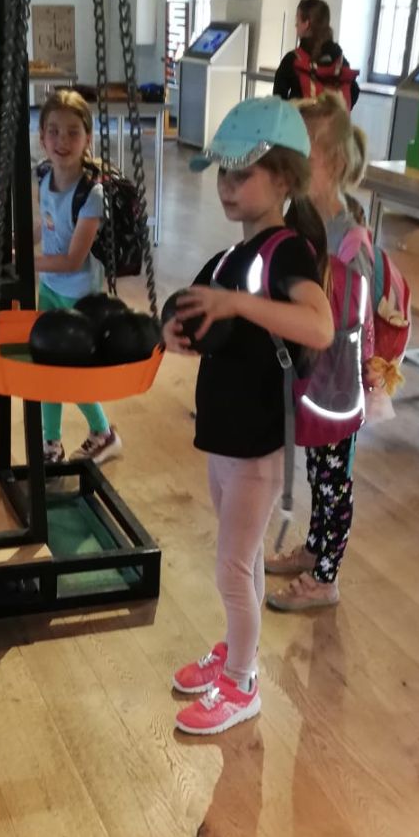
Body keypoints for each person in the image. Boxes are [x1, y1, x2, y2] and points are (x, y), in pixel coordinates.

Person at [162, 96, 334, 735]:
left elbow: (319, 325)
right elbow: (188, 307)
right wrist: (169, 331)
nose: (228, 186)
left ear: (284, 180)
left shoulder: (286, 252)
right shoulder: (230, 259)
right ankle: (238, 648)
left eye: (243, 173)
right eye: (223, 173)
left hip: (259, 445)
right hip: (224, 438)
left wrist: (239, 304)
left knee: (231, 566)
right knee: (246, 557)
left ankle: (241, 682)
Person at [267, 92, 375, 612]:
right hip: (312, 376)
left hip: (337, 382)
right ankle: (314, 549)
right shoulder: (302, 220)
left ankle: (327, 577)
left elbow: (350, 318)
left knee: (334, 480)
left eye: (300, 148)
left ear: (331, 161)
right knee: (317, 470)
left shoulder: (349, 240)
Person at [34, 89, 122, 465]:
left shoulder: (91, 194)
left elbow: (72, 260)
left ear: (88, 138)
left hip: (78, 296)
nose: (62, 141)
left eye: (73, 132)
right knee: (46, 368)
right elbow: (47, 227)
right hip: (49, 289)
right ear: (42, 137)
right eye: (54, 131)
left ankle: (103, 433)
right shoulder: (44, 178)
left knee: (67, 372)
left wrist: (28, 263)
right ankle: (50, 444)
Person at [273, 0, 360, 110]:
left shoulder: (292, 60)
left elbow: (277, 102)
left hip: (300, 121)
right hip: (334, 121)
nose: (296, 25)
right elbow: (354, 91)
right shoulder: (339, 59)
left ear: (306, 24)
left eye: (297, 20)